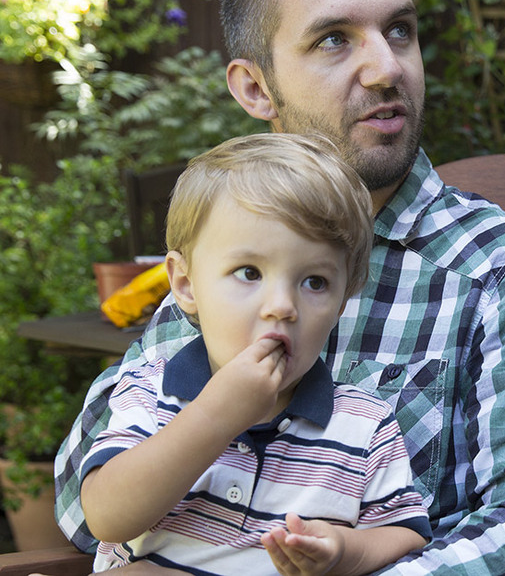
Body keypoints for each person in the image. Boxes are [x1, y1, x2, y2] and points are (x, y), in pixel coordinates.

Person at [55, 0, 505, 575]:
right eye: (336, 39)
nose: (387, 67)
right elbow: (81, 502)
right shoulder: (228, 253)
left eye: (400, 30)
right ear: (256, 88)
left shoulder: (504, 268)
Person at [80, 133, 431, 574]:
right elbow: (106, 517)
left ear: (343, 301)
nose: (282, 306)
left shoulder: (363, 426)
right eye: (249, 272)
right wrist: (215, 416)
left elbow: (405, 533)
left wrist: (344, 550)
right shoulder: (150, 392)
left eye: (315, 282)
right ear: (186, 284)